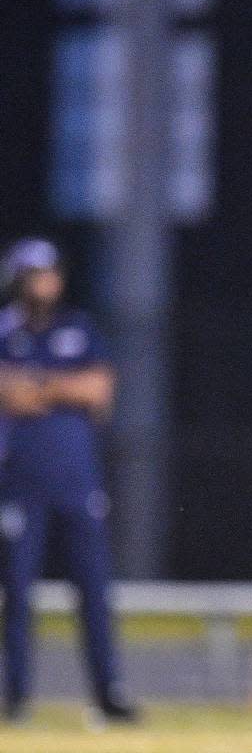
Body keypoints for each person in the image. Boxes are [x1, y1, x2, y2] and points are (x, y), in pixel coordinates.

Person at [0, 237, 137, 723]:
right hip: (19, 485)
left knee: (95, 592)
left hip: (77, 483)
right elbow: (8, 395)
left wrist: (37, 386)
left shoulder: (77, 328)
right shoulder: (6, 331)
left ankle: (109, 694)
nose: (47, 281)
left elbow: (98, 389)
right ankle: (15, 697)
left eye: (51, 272)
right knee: (17, 595)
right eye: (37, 273)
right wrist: (61, 387)